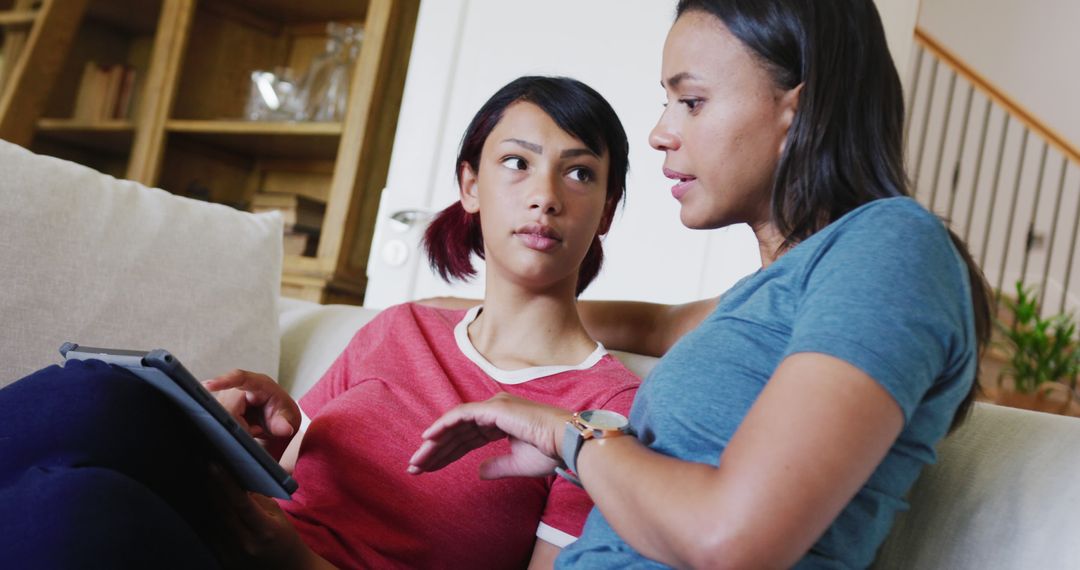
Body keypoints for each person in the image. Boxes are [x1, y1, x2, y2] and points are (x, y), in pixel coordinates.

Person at [408, 1, 993, 569]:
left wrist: (569, 435)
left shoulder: (890, 248)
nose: (660, 133)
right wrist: (460, 313)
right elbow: (652, 324)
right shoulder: (766, 291)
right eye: (667, 102)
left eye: (691, 101)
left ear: (800, 108)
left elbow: (732, 541)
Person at [0, 75, 639, 569]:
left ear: (607, 211)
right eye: (517, 162)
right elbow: (287, 478)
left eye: (580, 172)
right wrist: (251, 439)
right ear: (469, 185)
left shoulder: (603, 412)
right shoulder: (400, 329)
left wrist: (297, 561)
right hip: (224, 539)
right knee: (99, 392)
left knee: (71, 509)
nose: (545, 195)